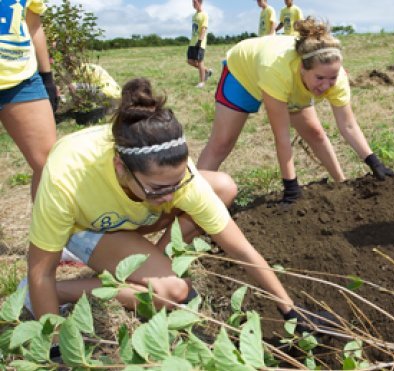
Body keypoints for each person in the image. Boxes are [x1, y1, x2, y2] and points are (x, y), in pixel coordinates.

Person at [23, 78, 316, 329]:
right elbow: (40, 270)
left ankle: (152, 256)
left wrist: (289, 309)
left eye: (177, 184)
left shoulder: (177, 176)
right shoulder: (66, 177)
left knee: (222, 187)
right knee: (170, 293)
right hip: (88, 225)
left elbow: (239, 248)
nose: (170, 197)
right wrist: (55, 344)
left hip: (132, 214)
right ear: (120, 168)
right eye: (158, 188)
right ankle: (57, 293)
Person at [198, 17, 393, 203]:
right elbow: (282, 136)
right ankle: (191, 199)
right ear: (302, 68)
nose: (326, 85)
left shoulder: (335, 76)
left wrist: (374, 162)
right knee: (222, 143)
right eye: (320, 78)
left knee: (315, 132)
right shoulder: (277, 71)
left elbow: (348, 125)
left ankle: (341, 182)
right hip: (243, 73)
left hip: (288, 82)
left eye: (332, 78)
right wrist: (291, 187)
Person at [0, 0, 57, 200]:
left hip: (22, 78)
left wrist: (46, 77)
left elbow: (33, 26)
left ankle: (44, 231)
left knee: (49, 163)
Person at [187, 0, 212, 88]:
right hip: (192, 42)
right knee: (190, 61)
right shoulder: (194, 15)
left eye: (195, 2)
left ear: (200, 3)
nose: (194, 4)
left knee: (200, 62)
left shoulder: (204, 15)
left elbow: (204, 29)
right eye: (193, 3)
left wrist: (200, 41)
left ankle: (202, 82)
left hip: (199, 42)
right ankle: (207, 71)